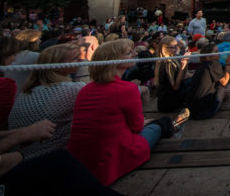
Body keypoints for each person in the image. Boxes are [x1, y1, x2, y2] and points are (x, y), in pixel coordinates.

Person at [0, 33, 122, 196]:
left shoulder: (28, 90)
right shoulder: (68, 89)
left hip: (15, 155)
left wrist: (22, 133)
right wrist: (22, 143)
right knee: (61, 162)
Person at [67, 39, 187, 186]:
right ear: (114, 61)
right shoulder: (126, 89)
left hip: (81, 160)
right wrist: (144, 122)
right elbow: (136, 128)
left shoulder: (85, 89)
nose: (134, 54)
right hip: (112, 158)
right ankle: (171, 127)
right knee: (160, 124)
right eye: (128, 53)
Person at [8, 43, 84, 159]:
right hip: (48, 158)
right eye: (75, 58)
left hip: (20, 156)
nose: (81, 60)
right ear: (57, 66)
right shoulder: (71, 89)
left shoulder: (28, 90)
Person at [185, 43, 230, 120]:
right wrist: (228, 65)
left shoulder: (202, 65)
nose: (219, 53)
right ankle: (228, 112)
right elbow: (224, 82)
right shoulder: (213, 63)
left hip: (192, 110)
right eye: (216, 51)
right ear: (208, 55)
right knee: (225, 89)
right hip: (204, 112)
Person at [154, 36, 191, 113]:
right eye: (173, 47)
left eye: (176, 46)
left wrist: (185, 63)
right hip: (169, 104)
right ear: (164, 49)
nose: (176, 48)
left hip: (167, 101)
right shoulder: (168, 64)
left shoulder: (170, 60)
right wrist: (183, 66)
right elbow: (175, 87)